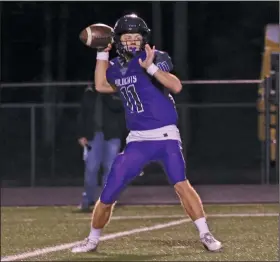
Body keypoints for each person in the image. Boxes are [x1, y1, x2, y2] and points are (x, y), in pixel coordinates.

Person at [72, 14, 222, 252]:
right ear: (118, 40)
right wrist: (102, 52)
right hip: (138, 140)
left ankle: (205, 234)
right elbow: (101, 86)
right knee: (109, 192)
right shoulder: (116, 67)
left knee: (181, 184)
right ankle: (92, 240)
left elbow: (176, 86)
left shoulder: (153, 57)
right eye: (127, 37)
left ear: (144, 39)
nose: (132, 41)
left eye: (136, 36)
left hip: (165, 136)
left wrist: (150, 67)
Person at [77, 83, 126, 211]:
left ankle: (106, 202)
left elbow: (118, 106)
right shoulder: (89, 92)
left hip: (112, 135)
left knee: (110, 169)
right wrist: (81, 134)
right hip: (93, 136)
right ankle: (88, 200)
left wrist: (106, 92)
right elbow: (83, 113)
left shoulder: (116, 90)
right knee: (91, 168)